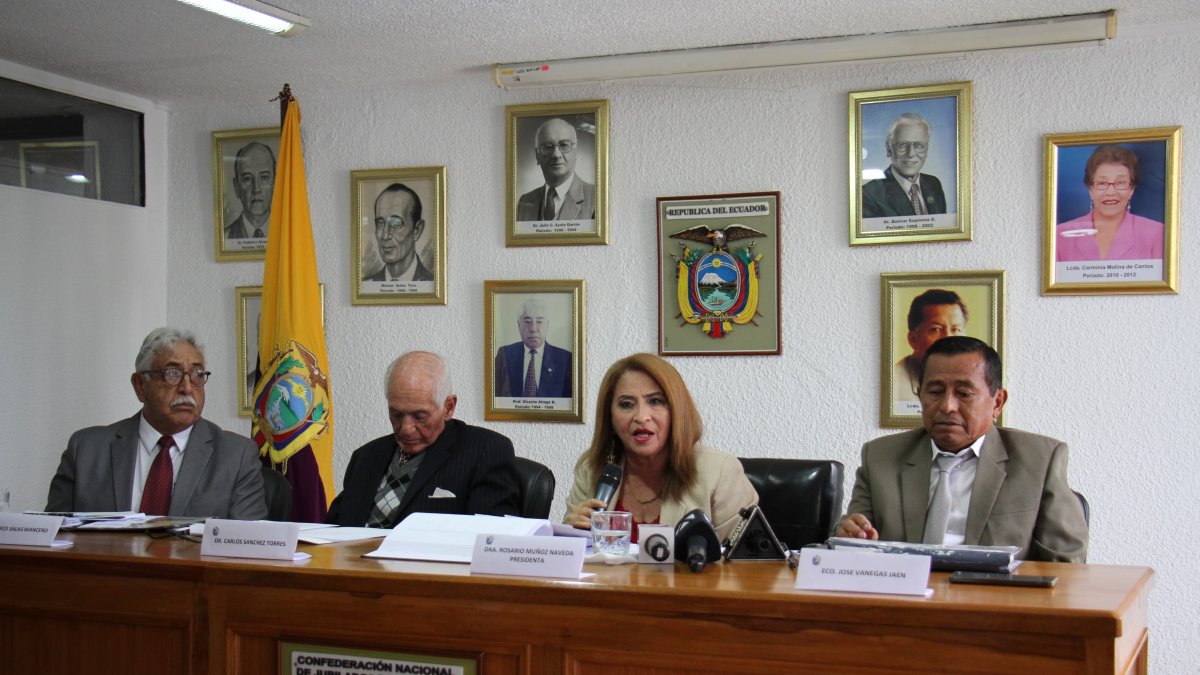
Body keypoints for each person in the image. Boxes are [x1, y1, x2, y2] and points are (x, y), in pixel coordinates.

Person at [837, 336, 1088, 563]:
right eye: (935, 392)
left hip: (996, 597)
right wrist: (850, 535)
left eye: (964, 393)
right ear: (920, 395)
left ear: (997, 402)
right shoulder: (880, 457)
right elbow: (853, 545)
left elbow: (1067, 564)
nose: (947, 406)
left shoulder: (1040, 460)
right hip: (905, 595)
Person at [46, 328, 267, 519]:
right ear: (140, 386)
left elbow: (246, 545)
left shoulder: (236, 456)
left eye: (197, 374)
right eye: (172, 373)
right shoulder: (86, 450)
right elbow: (53, 538)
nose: (187, 388)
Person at [564, 353, 757, 543]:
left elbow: (744, 558)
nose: (641, 417)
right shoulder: (593, 467)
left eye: (655, 401)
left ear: (677, 411)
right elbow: (567, 553)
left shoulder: (720, 471)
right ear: (610, 417)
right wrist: (571, 534)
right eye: (626, 404)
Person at [326, 351, 519, 528]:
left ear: (448, 407)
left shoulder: (485, 450)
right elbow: (331, 531)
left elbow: (490, 539)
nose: (406, 428)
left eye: (419, 416)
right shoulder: (366, 456)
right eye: (396, 414)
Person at [1056, 144, 1164, 262]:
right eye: (1102, 183)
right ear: (1090, 189)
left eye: (1120, 182)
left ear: (1131, 190)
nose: (1111, 192)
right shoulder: (1060, 235)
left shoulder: (1157, 233)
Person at [861, 113, 947, 218]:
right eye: (903, 145)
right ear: (889, 149)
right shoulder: (869, 194)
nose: (911, 154)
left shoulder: (934, 184)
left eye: (919, 145)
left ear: (926, 149)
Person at [516, 118, 596, 221]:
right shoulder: (524, 202)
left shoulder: (596, 197)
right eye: (548, 147)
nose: (556, 155)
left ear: (575, 152)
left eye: (564, 145)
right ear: (537, 155)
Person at [893, 289, 968, 400]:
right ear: (913, 339)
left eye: (956, 329)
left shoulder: (975, 380)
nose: (948, 338)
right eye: (936, 329)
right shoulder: (893, 385)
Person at [494, 298, 572, 398]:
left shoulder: (565, 359)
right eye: (527, 321)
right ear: (519, 324)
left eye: (539, 321)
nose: (533, 329)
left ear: (547, 324)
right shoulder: (504, 355)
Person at [364, 183, 434, 282]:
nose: (385, 235)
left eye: (396, 223)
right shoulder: (367, 284)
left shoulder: (430, 283)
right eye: (380, 223)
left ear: (417, 230)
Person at [224, 142, 275, 240]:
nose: (256, 189)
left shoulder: (289, 233)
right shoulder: (225, 237)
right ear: (236, 187)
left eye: (264, 177)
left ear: (275, 183)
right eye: (247, 179)